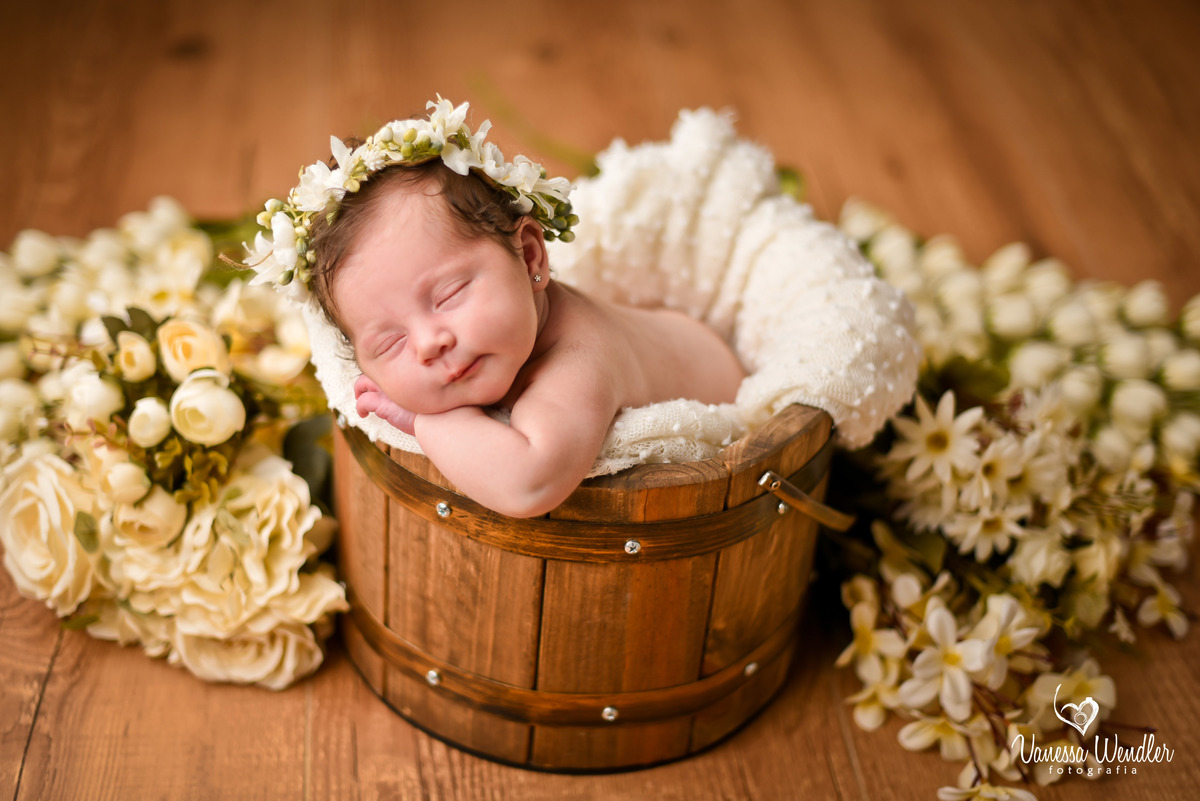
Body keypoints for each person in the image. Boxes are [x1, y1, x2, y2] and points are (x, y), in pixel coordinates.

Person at [247, 98, 745, 518]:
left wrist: (426, 421)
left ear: (530, 255)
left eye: (448, 296)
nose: (428, 343)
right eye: (389, 342)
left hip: (721, 376)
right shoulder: (507, 332)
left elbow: (528, 483)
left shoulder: (580, 359)